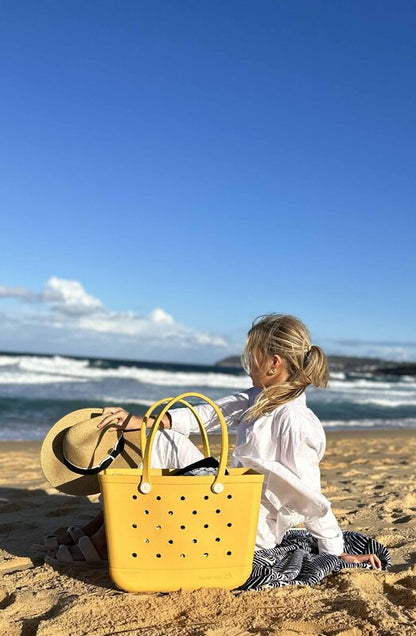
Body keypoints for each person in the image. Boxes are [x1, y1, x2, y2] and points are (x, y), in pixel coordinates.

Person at [45, 314, 383, 575]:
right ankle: (103, 528)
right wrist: (143, 422)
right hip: (230, 503)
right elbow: (208, 414)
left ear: (273, 362)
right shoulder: (260, 397)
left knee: (200, 467)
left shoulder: (294, 421)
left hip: (250, 529)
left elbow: (311, 497)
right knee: (163, 440)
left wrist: (334, 551)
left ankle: (104, 544)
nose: (248, 364)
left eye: (252, 356)